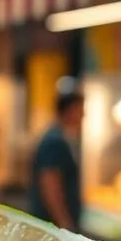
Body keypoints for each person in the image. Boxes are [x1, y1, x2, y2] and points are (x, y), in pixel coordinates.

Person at [30, 92, 84, 230]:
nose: (84, 115)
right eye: (80, 109)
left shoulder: (59, 137)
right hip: (51, 223)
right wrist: (64, 222)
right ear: (70, 110)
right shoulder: (54, 141)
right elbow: (50, 183)